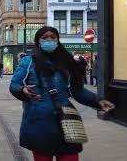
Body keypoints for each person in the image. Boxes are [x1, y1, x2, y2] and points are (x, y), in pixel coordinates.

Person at [9, 26, 115, 161]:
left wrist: (97, 101)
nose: (49, 40)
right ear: (38, 42)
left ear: (58, 40)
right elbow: (14, 84)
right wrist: (22, 90)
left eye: (53, 37)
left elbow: (78, 91)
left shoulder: (67, 61)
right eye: (45, 38)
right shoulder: (28, 62)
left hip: (67, 122)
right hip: (39, 123)